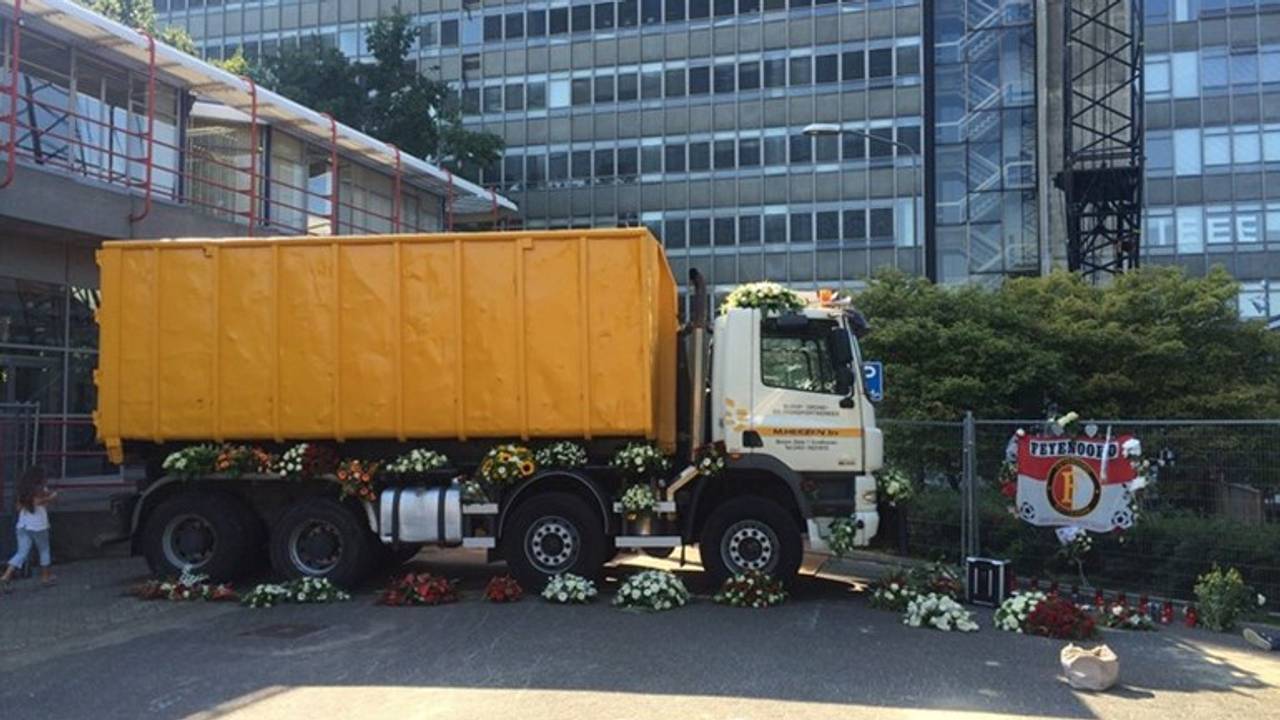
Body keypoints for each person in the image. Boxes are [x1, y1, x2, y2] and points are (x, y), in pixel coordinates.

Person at [1, 466, 58, 590]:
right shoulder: (41, 489)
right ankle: (45, 577)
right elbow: (39, 503)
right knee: (44, 550)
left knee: (21, 553)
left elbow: (18, 507)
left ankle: (6, 576)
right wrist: (51, 498)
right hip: (39, 525)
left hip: (23, 524)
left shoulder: (22, 490)